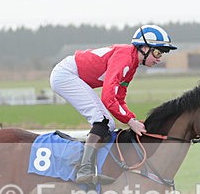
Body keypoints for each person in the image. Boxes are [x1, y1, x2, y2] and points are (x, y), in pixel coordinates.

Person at [49, 24, 177, 184]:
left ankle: (89, 165)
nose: (159, 58)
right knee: (102, 120)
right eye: (157, 52)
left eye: (162, 54)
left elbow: (119, 99)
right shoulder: (124, 58)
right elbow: (108, 98)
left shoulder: (132, 65)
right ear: (144, 47)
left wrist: (133, 119)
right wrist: (130, 122)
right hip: (66, 75)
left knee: (107, 124)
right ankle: (84, 169)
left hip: (71, 75)